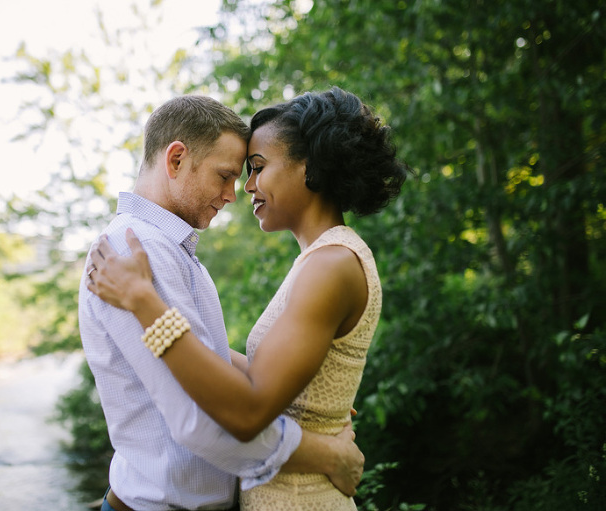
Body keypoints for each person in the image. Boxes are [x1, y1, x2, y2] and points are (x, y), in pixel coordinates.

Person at [86, 87, 409, 510]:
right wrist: (325, 449)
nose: (239, 191)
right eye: (230, 174)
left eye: (254, 169)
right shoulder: (136, 251)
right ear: (176, 159)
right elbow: (204, 421)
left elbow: (236, 394)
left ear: (311, 168)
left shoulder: (326, 262)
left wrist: (307, 411)